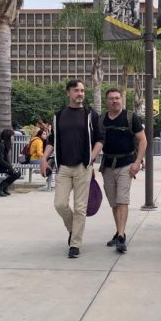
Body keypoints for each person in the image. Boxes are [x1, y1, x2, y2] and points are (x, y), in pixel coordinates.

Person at [40, 79, 104, 259]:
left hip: (83, 166)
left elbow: (100, 138)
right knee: (59, 204)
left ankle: (75, 244)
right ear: (68, 93)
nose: (80, 94)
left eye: (82, 90)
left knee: (80, 207)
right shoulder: (59, 115)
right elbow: (53, 140)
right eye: (76, 90)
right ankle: (72, 229)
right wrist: (44, 159)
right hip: (63, 167)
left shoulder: (91, 114)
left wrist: (92, 157)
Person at [100, 88, 146, 254]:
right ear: (107, 101)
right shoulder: (101, 120)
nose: (115, 101)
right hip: (108, 165)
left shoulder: (131, 117)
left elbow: (142, 140)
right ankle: (119, 231)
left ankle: (121, 236)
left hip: (127, 163)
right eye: (111, 99)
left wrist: (138, 161)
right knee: (114, 202)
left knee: (122, 200)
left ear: (122, 99)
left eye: (117, 98)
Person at [0, 129, 21, 197]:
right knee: (16, 173)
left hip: (1, 167)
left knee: (17, 173)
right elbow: (0, 160)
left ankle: (3, 188)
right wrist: (10, 167)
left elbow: (6, 159)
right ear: (8, 136)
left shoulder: (5, 145)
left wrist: (11, 167)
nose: (13, 137)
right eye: (12, 136)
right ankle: (0, 188)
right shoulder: (1, 145)